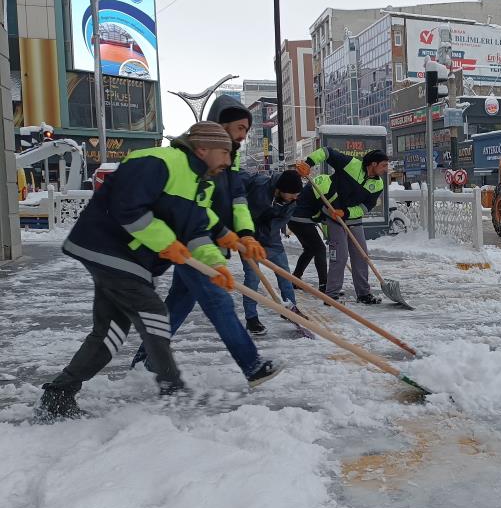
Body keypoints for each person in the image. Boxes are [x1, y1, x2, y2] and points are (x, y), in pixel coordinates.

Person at [36, 122, 236, 421]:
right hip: (110, 248)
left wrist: (215, 265)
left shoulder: (199, 183)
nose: (228, 161)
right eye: (225, 152)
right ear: (203, 149)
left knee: (111, 333)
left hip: (129, 260)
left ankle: (58, 395)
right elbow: (126, 206)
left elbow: (195, 232)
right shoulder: (158, 161)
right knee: (153, 314)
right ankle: (173, 389)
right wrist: (166, 242)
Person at [130, 97, 280, 386]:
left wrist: (246, 234)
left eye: (246, 130)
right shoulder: (198, 156)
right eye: (240, 128)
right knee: (218, 302)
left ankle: (145, 358)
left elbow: (238, 200)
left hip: (213, 242)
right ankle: (252, 366)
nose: (243, 135)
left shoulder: (230, 159)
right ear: (221, 124)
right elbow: (193, 204)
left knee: (178, 305)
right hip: (194, 240)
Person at [296, 147, 389, 304]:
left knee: (361, 256)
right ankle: (331, 295)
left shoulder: (378, 184)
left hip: (352, 219)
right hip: (333, 215)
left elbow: (366, 207)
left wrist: (346, 213)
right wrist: (308, 163)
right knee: (339, 256)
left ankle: (364, 294)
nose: (386, 169)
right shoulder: (351, 164)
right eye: (384, 165)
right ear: (373, 163)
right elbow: (326, 152)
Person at [240, 169, 304, 334]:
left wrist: (265, 238)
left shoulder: (291, 201)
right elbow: (241, 207)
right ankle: (251, 319)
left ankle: (290, 309)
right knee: (252, 278)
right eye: (292, 194)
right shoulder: (259, 185)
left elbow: (280, 222)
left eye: (297, 194)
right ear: (281, 188)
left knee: (285, 275)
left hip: (271, 240)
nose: (295, 197)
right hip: (248, 238)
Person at [286, 173, 334, 293]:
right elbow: (321, 212)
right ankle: (324, 285)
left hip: (293, 219)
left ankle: (295, 279)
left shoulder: (322, 179)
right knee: (320, 249)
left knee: (310, 250)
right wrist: (323, 222)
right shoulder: (329, 187)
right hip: (303, 220)